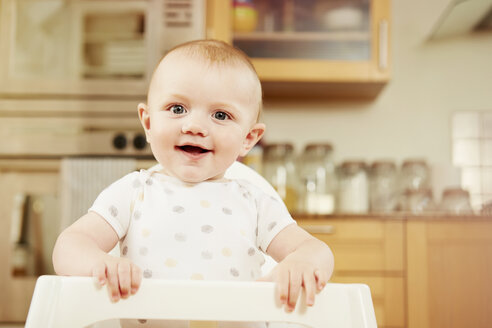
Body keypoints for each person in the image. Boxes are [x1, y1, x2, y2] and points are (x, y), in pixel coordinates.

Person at [52, 40, 334, 327]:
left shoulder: (255, 203)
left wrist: (301, 264)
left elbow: (317, 250)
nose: (195, 126)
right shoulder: (133, 192)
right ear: (148, 124)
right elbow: (69, 245)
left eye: (220, 115)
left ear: (248, 138)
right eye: (177, 109)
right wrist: (100, 265)